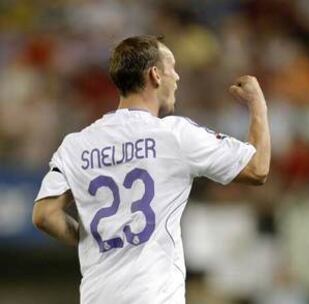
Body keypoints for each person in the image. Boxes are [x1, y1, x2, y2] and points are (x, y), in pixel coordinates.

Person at [32, 35, 270, 304]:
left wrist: (90, 240)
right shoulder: (173, 135)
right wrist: (258, 105)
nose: (177, 77)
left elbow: (44, 215)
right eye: (172, 67)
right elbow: (257, 169)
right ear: (155, 75)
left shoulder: (76, 145)